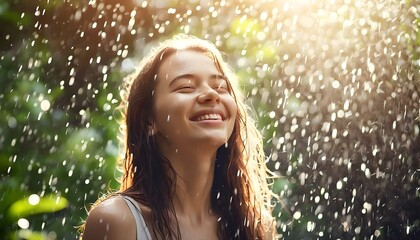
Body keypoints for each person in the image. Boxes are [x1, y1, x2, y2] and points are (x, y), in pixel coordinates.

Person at [82, 34, 277, 240]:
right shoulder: (117, 221)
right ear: (149, 119)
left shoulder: (256, 225)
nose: (212, 94)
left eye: (220, 87)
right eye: (186, 87)